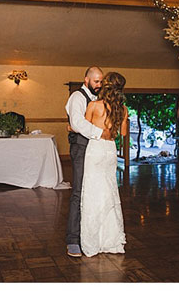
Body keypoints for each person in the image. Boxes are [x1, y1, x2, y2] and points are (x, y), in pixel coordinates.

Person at [80, 72, 128, 257]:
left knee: (93, 193)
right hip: (110, 151)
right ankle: (111, 240)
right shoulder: (123, 109)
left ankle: (93, 243)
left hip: (96, 148)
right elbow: (123, 134)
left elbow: (85, 128)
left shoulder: (94, 105)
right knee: (109, 191)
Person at [64, 66, 104, 257]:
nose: (99, 85)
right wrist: (100, 133)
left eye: (101, 81)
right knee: (79, 192)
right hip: (80, 149)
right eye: (96, 81)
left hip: (95, 150)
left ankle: (90, 235)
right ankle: (72, 240)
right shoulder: (77, 97)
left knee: (93, 192)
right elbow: (77, 123)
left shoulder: (97, 99)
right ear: (86, 80)